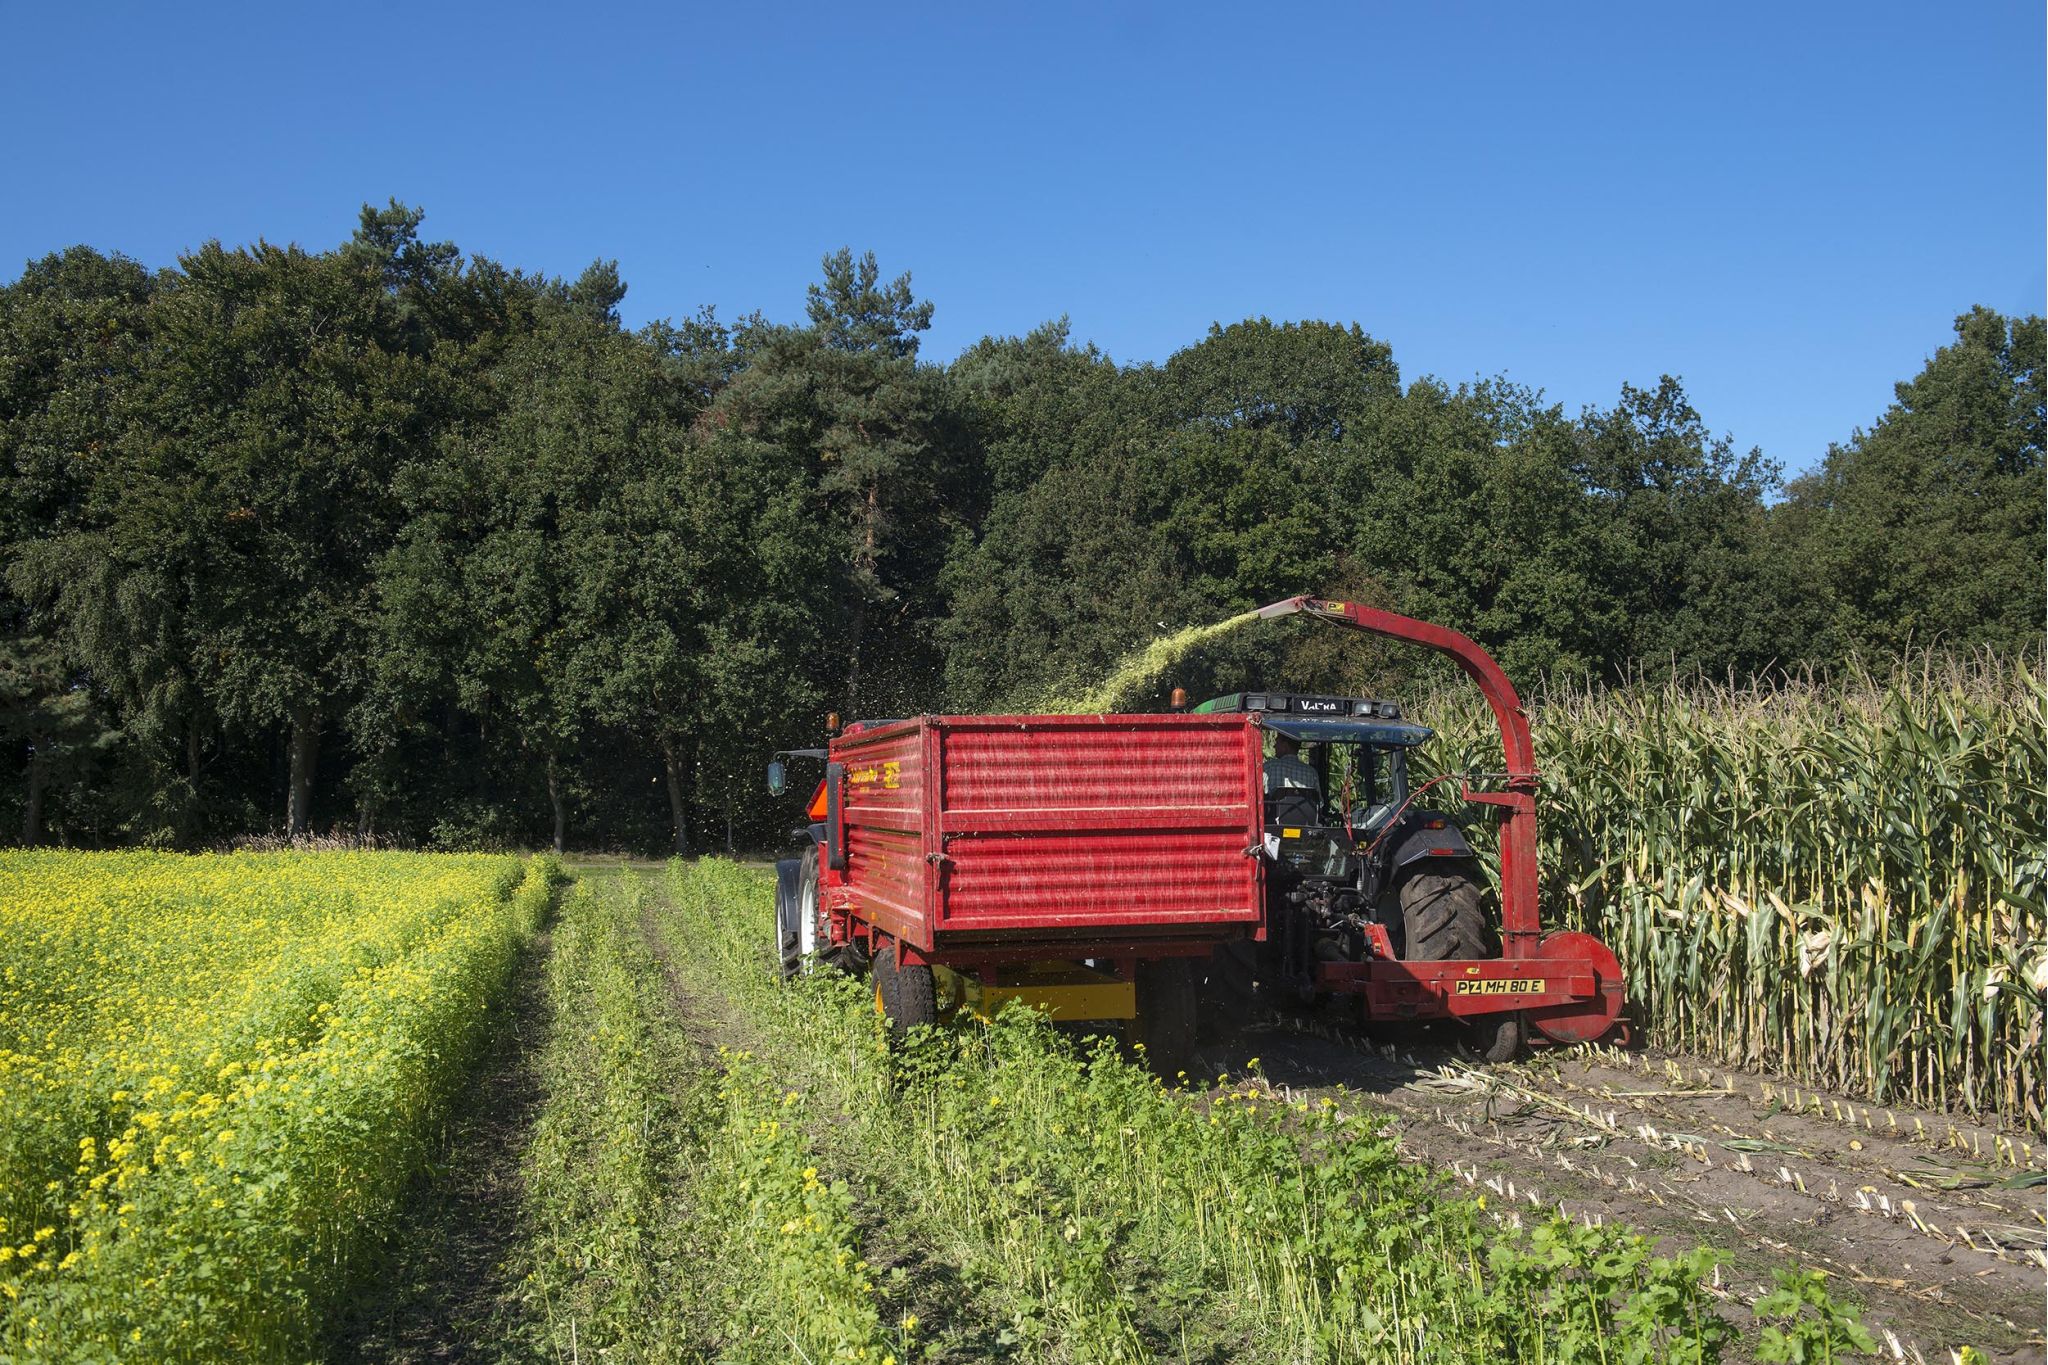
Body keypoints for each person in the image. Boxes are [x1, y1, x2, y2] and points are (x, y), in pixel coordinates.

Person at [1264, 733, 1323, 827]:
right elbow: (1319, 803)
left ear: (1285, 746)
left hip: (1274, 826)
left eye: (1277, 742)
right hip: (1306, 826)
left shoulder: (1269, 767)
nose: (1274, 746)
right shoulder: (1311, 772)